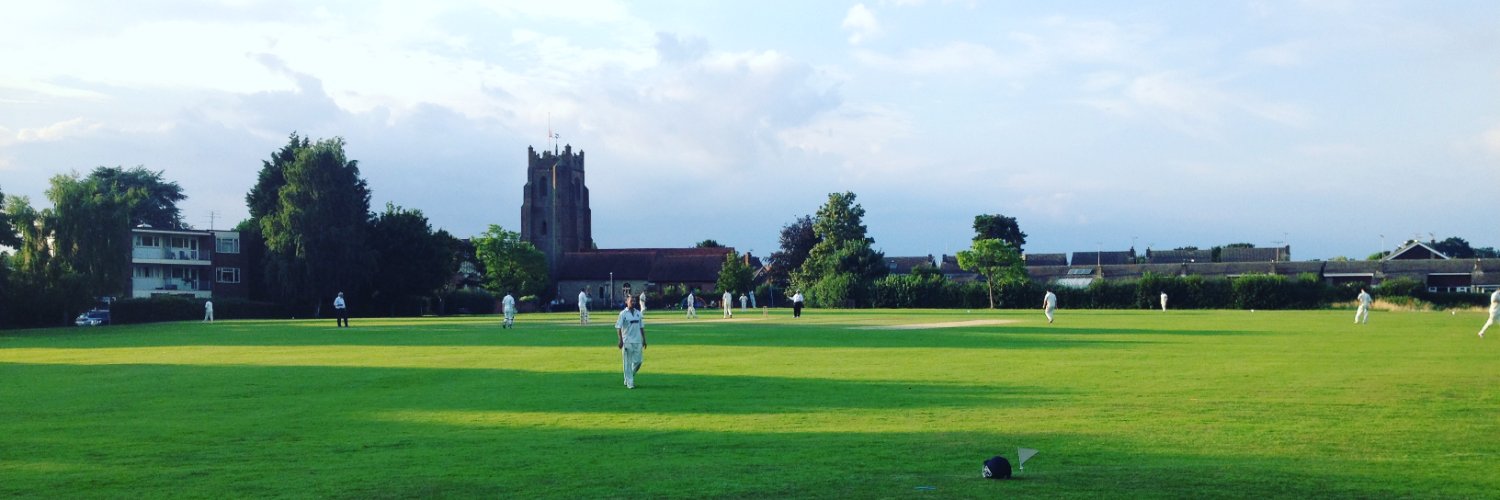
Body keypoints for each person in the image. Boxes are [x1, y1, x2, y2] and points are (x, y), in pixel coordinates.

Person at [615, 295, 647, 389]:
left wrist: (644, 339)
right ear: (626, 302)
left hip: (637, 341)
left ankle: (628, 377)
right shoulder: (623, 314)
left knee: (638, 361)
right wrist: (620, 340)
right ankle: (630, 383)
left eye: (634, 301)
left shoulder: (638, 313)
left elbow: (641, 327)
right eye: (631, 301)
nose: (633, 302)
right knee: (627, 363)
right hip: (627, 341)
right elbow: (618, 327)